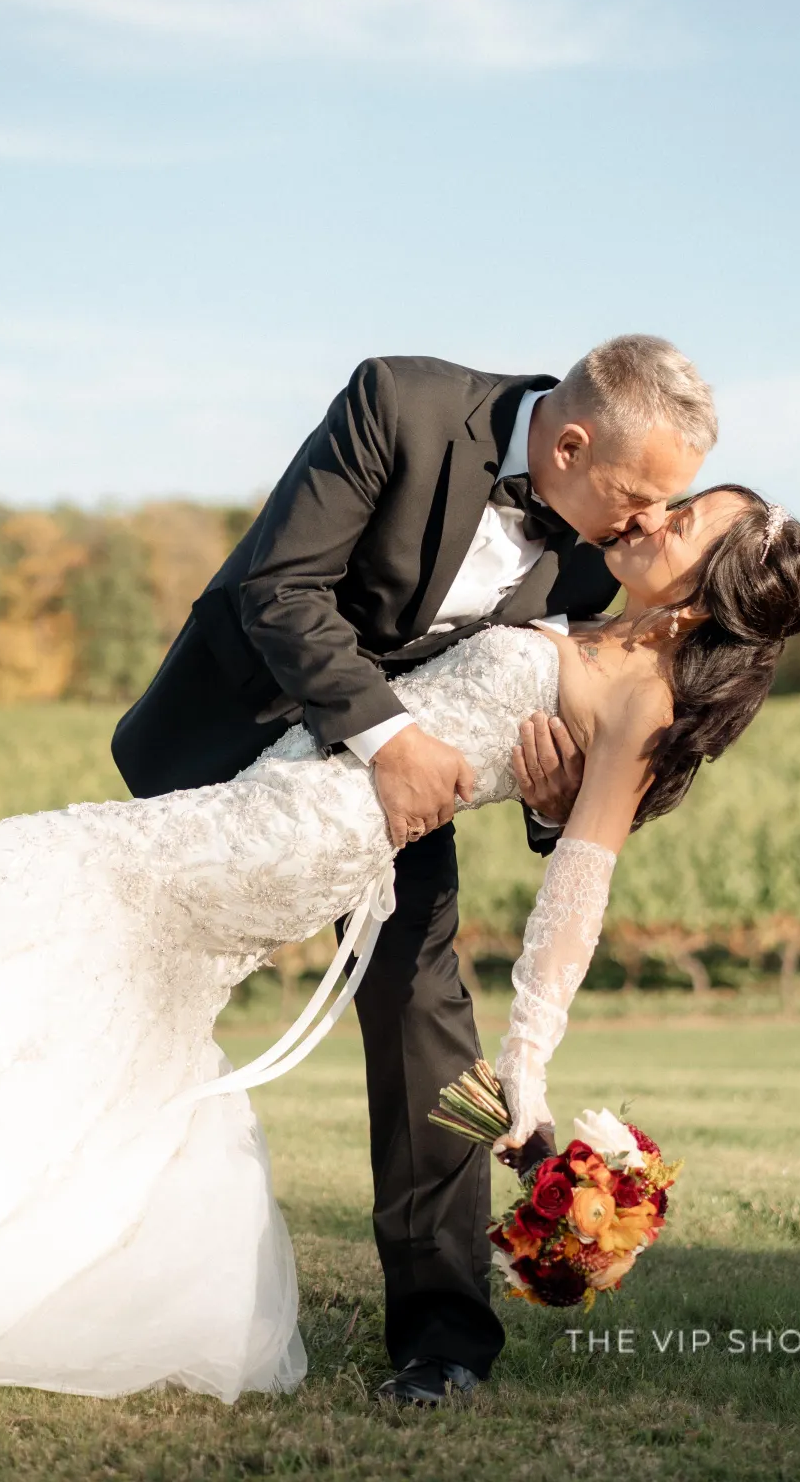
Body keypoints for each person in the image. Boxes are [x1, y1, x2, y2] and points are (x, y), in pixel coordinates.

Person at [0, 468, 800, 1410]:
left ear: (702, 595)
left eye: (686, 521)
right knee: (79, 964)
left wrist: (528, 1064)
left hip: (309, 834)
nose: (655, 515)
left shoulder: (646, 703)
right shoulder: (589, 602)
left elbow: (579, 887)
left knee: (47, 885)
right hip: (282, 780)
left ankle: (441, 1336)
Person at [110, 336, 715, 1400]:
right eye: (638, 497)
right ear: (571, 445)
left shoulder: (596, 551)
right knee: (136, 988)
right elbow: (280, 588)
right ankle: (91, 1252)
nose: (646, 525)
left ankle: (444, 1341)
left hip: (400, 801)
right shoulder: (399, 402)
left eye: (667, 506)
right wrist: (390, 741)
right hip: (234, 745)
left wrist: (549, 803)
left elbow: (558, 714)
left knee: (425, 1010)